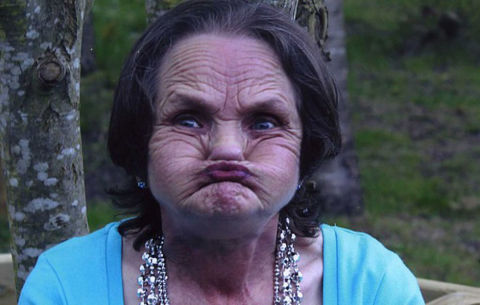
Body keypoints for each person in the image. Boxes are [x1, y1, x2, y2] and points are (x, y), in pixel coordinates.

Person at [19, 0, 425, 304]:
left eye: (264, 122)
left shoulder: (370, 285)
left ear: (305, 149)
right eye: (190, 119)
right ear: (139, 142)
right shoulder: (67, 286)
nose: (227, 150)